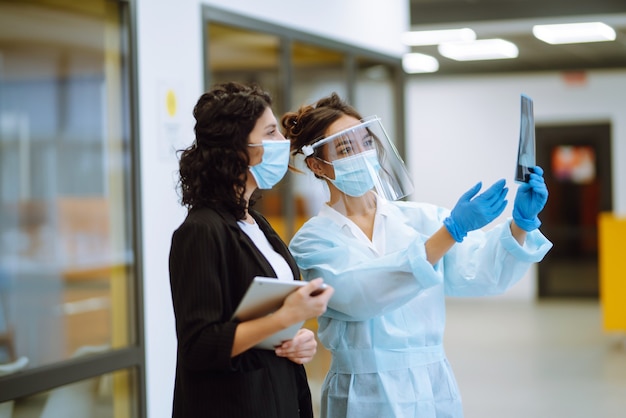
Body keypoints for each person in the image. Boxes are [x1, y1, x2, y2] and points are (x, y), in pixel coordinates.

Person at [281, 92, 553, 418]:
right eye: (346, 148)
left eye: (366, 142)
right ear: (316, 164)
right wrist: (450, 232)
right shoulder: (312, 240)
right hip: (362, 393)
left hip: (433, 385)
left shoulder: (420, 219)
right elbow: (361, 293)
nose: (363, 154)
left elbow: (479, 272)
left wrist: (520, 225)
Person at [168, 81, 333, 418]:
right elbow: (199, 346)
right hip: (231, 404)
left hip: (277, 395)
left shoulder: (257, 224)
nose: (282, 143)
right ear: (236, 148)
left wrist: (296, 338)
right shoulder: (200, 231)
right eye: (271, 133)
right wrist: (286, 317)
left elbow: (260, 323)